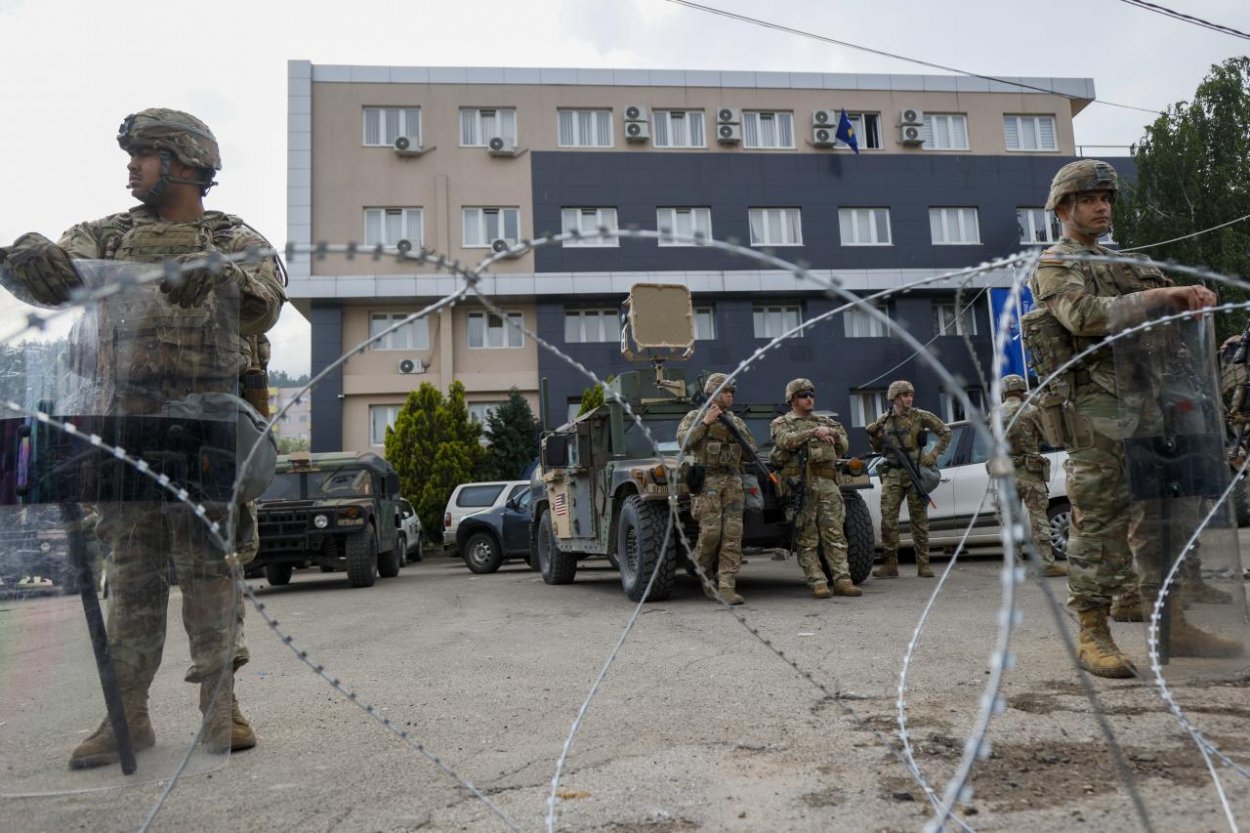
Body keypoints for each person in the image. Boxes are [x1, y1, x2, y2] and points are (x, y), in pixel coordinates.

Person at [0, 108, 286, 765]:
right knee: (128, 576)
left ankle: (222, 708)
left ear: (184, 163)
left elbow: (264, 300)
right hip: (118, 429)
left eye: (144, 155)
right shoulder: (105, 235)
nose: (131, 166)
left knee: (210, 570)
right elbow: (54, 279)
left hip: (201, 432)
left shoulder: (230, 235)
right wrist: (31, 260)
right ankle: (124, 716)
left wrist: (219, 273)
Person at [1026, 158, 1240, 678]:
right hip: (1100, 413)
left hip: (1159, 407)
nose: (1103, 207)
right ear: (1064, 208)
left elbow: (1170, 319)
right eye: (1091, 199)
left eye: (1108, 199)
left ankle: (1174, 623)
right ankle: (1093, 630)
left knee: (1169, 519)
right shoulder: (1056, 263)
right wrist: (1163, 296)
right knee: (1100, 519)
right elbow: (1083, 315)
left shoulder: (1129, 262)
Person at [770, 378, 860, 599]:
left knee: (835, 535)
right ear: (793, 400)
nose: (809, 398)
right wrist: (813, 433)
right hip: (802, 485)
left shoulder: (825, 420)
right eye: (803, 395)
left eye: (811, 394)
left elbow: (844, 444)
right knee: (807, 538)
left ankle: (842, 580)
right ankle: (817, 582)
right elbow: (785, 442)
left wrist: (831, 432)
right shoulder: (782, 422)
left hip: (828, 483)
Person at [676, 373, 756, 605]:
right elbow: (683, 441)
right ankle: (704, 573)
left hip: (732, 481)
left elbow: (751, 449)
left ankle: (727, 585)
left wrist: (735, 433)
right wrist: (705, 423)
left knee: (732, 534)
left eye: (732, 392)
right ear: (712, 393)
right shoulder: (695, 416)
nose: (730, 396)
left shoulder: (736, 421)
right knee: (711, 534)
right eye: (725, 392)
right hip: (707, 481)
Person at [865, 380, 950, 578]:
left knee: (919, 520)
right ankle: (890, 564)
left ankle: (924, 564)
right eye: (904, 395)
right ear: (894, 398)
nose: (909, 398)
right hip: (893, 472)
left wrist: (935, 453)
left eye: (910, 394)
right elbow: (878, 450)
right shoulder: (884, 420)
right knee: (888, 520)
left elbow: (945, 432)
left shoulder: (920, 416)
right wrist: (874, 436)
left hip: (915, 471)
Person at [990, 374, 1067, 578]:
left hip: (1007, 472)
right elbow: (1047, 436)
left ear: (1004, 391)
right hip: (1030, 472)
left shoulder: (995, 413)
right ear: (1022, 389)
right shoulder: (1031, 410)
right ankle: (1047, 564)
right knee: (1039, 517)